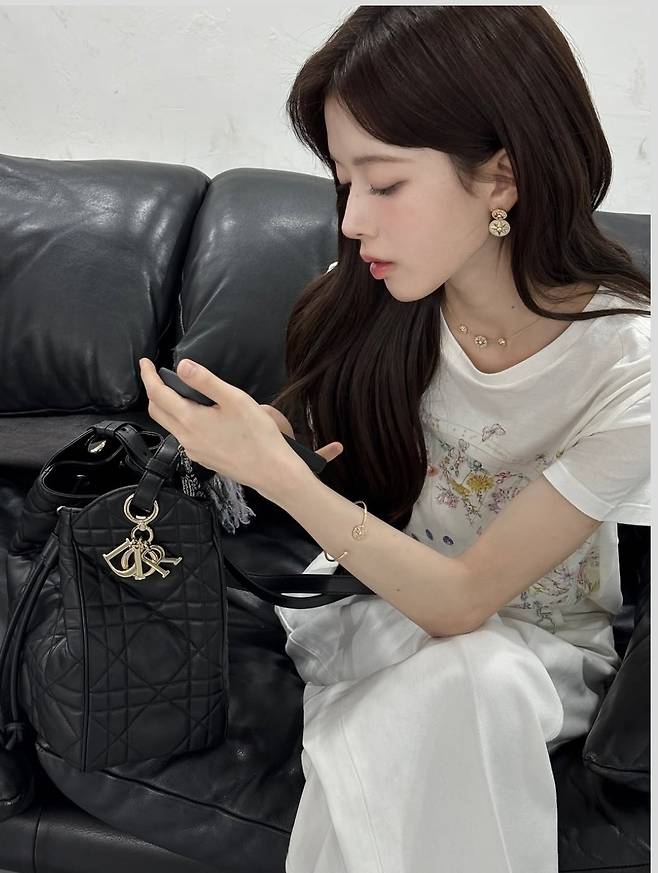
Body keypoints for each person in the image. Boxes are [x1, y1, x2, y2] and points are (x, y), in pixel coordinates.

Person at [261, 7, 651, 873]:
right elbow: (351, 489)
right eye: (344, 183)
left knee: (479, 675)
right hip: (377, 619)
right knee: (461, 679)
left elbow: (467, 600)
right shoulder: (369, 304)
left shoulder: (630, 371)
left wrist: (286, 481)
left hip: (540, 658)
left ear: (502, 178)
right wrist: (278, 457)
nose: (352, 220)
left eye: (384, 184)